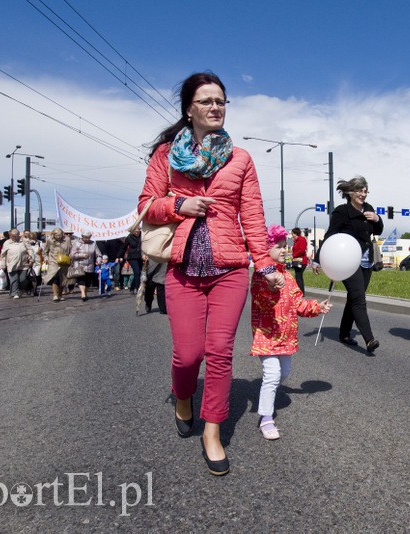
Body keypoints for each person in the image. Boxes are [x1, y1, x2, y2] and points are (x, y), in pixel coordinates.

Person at [138, 71, 283, 476]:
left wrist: (265, 264)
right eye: (207, 101)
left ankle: (213, 431)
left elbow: (252, 215)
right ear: (190, 109)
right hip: (183, 269)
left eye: (221, 101)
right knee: (188, 355)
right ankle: (183, 396)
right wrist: (178, 205)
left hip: (229, 269)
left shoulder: (241, 159)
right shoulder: (166, 155)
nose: (216, 107)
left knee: (219, 352)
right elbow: (146, 205)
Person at [250, 225, 331, 440]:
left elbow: (298, 303)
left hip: (286, 337)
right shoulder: (260, 277)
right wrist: (271, 288)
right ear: (265, 250)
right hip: (267, 336)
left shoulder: (288, 276)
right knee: (273, 374)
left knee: (284, 372)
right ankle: (266, 417)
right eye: (278, 246)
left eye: (284, 246)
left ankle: (267, 390)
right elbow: (260, 301)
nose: (284, 250)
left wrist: (316, 307)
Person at [312, 176, 383, 354]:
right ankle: (369, 339)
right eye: (359, 191)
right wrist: (317, 259)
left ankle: (344, 333)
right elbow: (330, 235)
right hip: (346, 260)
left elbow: (378, 230)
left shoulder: (369, 208)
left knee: (354, 297)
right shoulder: (342, 211)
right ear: (350, 192)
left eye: (365, 191)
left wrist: (377, 218)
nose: (363, 194)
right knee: (359, 298)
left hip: (366, 260)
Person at [0, 228, 32, 299]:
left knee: (22, 279)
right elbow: (3, 255)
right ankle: (14, 293)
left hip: (23, 264)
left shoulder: (24, 241)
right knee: (14, 279)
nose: (15, 237)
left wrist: (31, 260)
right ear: (10, 235)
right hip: (12, 264)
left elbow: (30, 250)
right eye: (13, 236)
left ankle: (21, 290)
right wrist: (2, 265)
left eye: (16, 235)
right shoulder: (7, 243)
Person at [70, 231, 101, 301]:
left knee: (88, 281)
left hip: (90, 265)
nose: (87, 239)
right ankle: (83, 293)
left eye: (88, 237)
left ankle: (85, 293)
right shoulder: (77, 243)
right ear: (82, 236)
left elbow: (98, 254)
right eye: (85, 237)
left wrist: (98, 260)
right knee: (81, 280)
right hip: (79, 265)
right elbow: (71, 255)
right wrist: (81, 255)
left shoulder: (93, 244)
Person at [43, 227, 71, 302]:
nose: (58, 237)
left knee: (62, 278)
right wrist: (46, 258)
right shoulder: (50, 240)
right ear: (54, 235)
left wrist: (70, 257)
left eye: (60, 235)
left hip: (64, 261)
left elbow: (70, 249)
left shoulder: (67, 240)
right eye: (57, 235)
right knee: (54, 277)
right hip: (53, 260)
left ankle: (60, 294)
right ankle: (55, 295)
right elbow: (45, 251)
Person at [118, 228, 143, 294]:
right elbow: (124, 248)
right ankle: (136, 288)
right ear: (132, 231)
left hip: (140, 257)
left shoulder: (143, 236)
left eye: (138, 230)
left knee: (139, 273)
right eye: (135, 230)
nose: (137, 231)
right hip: (132, 257)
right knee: (137, 272)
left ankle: (132, 287)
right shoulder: (129, 238)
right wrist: (119, 256)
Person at [290, 227, 309, 295]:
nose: (292, 235)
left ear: (296, 233)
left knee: (298, 276)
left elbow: (302, 250)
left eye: (292, 233)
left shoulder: (301, 239)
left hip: (302, 261)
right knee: (298, 276)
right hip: (297, 261)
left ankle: (300, 293)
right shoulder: (296, 241)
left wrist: (293, 255)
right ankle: (300, 292)